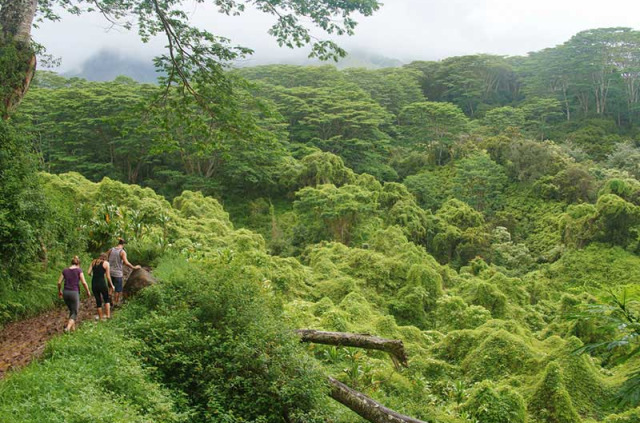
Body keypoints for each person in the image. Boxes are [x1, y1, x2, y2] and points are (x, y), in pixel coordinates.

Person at [57, 256, 91, 332]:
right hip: (74, 293)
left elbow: (59, 283)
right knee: (75, 312)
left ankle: (73, 331)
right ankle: (68, 328)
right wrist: (88, 291)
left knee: (72, 311)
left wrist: (59, 291)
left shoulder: (65, 270)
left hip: (65, 292)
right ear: (78, 264)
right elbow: (84, 282)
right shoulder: (79, 270)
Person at [107, 238, 140, 307]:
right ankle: (116, 303)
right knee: (118, 289)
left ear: (118, 243)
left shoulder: (111, 250)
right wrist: (134, 267)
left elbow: (105, 257)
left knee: (110, 287)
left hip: (109, 272)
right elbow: (126, 262)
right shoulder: (122, 252)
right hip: (118, 273)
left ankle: (109, 298)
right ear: (123, 244)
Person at [88, 252, 115, 321]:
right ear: (105, 258)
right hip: (102, 283)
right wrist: (112, 285)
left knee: (98, 300)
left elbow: (88, 273)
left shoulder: (93, 262)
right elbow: (108, 277)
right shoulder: (106, 263)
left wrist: (94, 275)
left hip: (94, 283)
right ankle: (108, 316)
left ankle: (100, 318)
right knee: (106, 299)